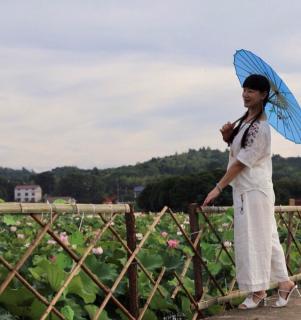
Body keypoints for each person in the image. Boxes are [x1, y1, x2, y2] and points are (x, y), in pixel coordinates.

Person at [202, 74, 299, 309]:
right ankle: (284, 283)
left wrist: (218, 187)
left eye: (251, 91)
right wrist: (228, 138)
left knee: (252, 238)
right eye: (244, 89)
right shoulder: (246, 120)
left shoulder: (261, 128)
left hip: (254, 190)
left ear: (263, 95)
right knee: (268, 237)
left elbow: (241, 163)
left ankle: (257, 291)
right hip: (249, 188)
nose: (245, 94)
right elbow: (238, 151)